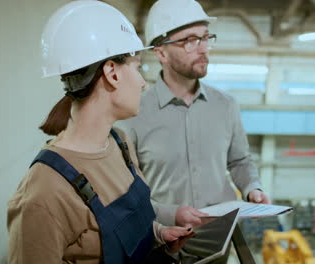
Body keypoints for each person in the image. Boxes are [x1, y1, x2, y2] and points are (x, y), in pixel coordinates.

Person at [7, 1, 192, 263]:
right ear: (112, 73)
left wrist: (159, 235)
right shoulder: (44, 193)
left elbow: (133, 226)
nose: (143, 82)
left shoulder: (120, 143)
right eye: (138, 68)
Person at [116, 0, 271, 229]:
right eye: (189, 41)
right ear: (161, 53)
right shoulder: (133, 114)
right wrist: (170, 215)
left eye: (205, 38)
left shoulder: (226, 106)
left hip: (219, 235)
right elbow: (126, 189)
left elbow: (239, 160)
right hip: (161, 241)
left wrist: (252, 188)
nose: (203, 48)